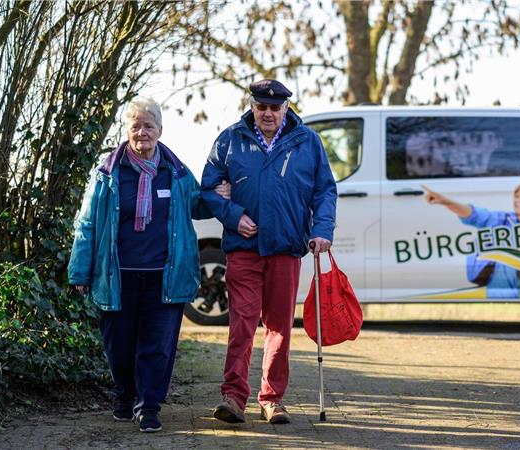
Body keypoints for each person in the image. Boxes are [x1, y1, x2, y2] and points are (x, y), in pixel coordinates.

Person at [68, 97, 211, 432]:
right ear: (126, 131)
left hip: (164, 276)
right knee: (119, 345)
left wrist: (226, 190)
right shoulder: (107, 173)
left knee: (157, 345)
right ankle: (124, 396)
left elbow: (200, 205)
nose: (142, 132)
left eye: (149, 125)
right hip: (117, 276)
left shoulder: (175, 172)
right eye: (136, 126)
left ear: (160, 130)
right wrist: (80, 269)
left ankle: (149, 406)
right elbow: (86, 223)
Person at [201, 79, 337, 425]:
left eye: (274, 108)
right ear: (252, 106)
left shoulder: (307, 142)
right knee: (242, 323)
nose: (267, 113)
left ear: (286, 109)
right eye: (261, 106)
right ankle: (233, 396)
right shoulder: (230, 140)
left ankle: (272, 399)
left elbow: (324, 191)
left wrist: (321, 231)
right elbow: (209, 188)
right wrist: (234, 216)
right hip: (243, 248)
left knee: (279, 327)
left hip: (286, 247)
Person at [423, 182, 520, 298]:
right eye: (517, 196)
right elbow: (473, 214)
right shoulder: (500, 219)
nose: (518, 201)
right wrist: (446, 202)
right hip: (498, 298)